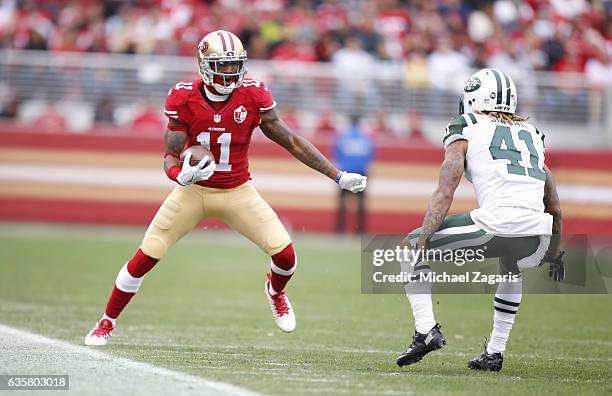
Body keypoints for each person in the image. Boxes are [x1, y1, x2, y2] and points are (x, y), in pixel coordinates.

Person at [84, 30, 367, 346]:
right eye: (223, 65)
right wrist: (181, 175)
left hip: (237, 191)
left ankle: (275, 292)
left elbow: (293, 141)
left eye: (235, 65)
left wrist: (338, 176)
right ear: (204, 65)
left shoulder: (254, 94)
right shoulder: (182, 97)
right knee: (145, 257)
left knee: (286, 256)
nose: (231, 72)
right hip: (192, 192)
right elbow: (170, 155)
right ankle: (106, 323)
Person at [396, 68, 564, 371]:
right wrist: (553, 253)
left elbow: (446, 190)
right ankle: (494, 352)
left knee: (409, 247)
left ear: (474, 97)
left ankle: (425, 330)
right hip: (539, 234)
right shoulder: (534, 134)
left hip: (498, 224)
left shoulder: (466, 124)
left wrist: (423, 239)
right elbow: (554, 206)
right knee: (511, 264)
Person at [334, 114, 374, 234]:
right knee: (361, 203)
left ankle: (340, 229)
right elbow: (369, 157)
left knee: (342, 202)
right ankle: (361, 230)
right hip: (361, 173)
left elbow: (337, 155)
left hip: (345, 173)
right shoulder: (365, 138)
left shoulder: (343, 137)